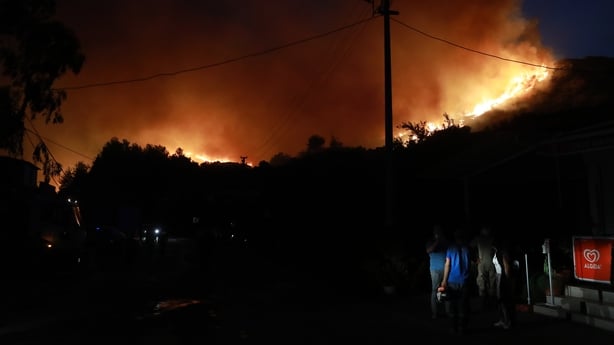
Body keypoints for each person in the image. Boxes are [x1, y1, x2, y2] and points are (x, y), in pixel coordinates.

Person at [440, 228, 472, 335]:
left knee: (452, 306)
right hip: (465, 280)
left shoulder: (451, 248)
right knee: (463, 306)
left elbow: (448, 264)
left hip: (452, 280)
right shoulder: (468, 247)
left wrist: (444, 280)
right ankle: (462, 328)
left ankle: (453, 328)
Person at [470, 224, 497, 310]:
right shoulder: (479, 238)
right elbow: (470, 246)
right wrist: (475, 259)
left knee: (490, 283)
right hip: (483, 263)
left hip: (490, 262)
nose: (486, 231)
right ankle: (484, 303)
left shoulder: (491, 238)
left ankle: (490, 303)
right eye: (485, 229)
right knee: (482, 282)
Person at [492, 241, 517, 330]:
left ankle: (508, 321)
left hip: (503, 278)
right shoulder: (496, 252)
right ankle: (502, 320)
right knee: (500, 300)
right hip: (498, 277)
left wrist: (507, 280)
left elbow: (507, 267)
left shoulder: (502, 252)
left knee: (504, 300)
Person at [425, 224, 449, 319]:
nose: (438, 232)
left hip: (445, 268)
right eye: (436, 230)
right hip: (434, 269)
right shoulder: (430, 241)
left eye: (439, 230)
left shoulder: (445, 241)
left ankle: (447, 312)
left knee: (445, 289)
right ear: (434, 232)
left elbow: (450, 251)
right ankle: (435, 313)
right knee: (435, 290)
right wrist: (437, 242)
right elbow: (428, 251)